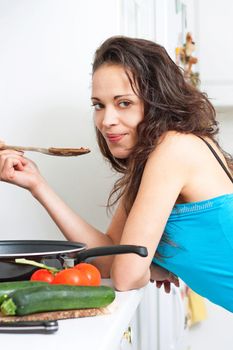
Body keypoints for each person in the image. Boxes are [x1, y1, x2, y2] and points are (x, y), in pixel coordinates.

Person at [1, 36, 233, 312]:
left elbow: (126, 276)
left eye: (123, 103)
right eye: (99, 105)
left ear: (157, 101)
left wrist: (146, 269)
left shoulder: (174, 148)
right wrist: (37, 185)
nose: (106, 120)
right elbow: (111, 258)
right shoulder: (153, 158)